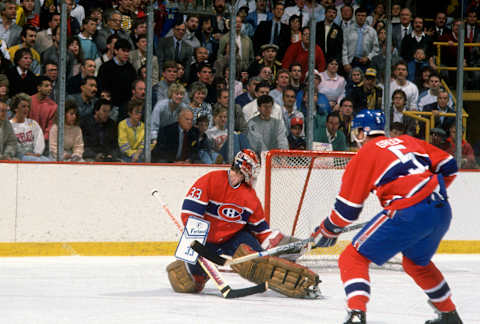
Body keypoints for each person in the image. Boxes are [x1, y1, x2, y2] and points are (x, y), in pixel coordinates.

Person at [310, 109, 462, 324]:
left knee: (352, 258)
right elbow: (450, 166)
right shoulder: (408, 141)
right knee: (417, 263)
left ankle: (356, 315)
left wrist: (327, 230)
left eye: (356, 131)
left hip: (407, 210)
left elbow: (347, 211)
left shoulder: (364, 155)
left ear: (363, 132)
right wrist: (428, 191)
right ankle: (449, 315)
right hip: (441, 208)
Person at [167, 148, 319, 298]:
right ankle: (195, 271)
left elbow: (261, 231)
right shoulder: (210, 180)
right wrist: (196, 244)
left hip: (234, 239)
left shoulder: (250, 197)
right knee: (189, 282)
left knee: (257, 261)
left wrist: (281, 244)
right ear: (245, 170)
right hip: (205, 241)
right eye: (252, 171)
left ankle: (290, 280)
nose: (254, 176)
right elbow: (190, 213)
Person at [9, 93, 50, 161]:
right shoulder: (9, 126)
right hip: (19, 156)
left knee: (49, 162)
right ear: (15, 108)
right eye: (23, 106)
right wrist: (25, 154)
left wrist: (37, 153)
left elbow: (39, 140)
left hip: (34, 155)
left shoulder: (32, 123)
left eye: (28, 107)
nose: (27, 109)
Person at [29, 76, 57, 146]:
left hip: (43, 142)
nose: (50, 88)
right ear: (39, 88)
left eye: (51, 86)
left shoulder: (53, 106)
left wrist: (42, 140)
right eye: (46, 86)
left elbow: (50, 126)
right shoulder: (28, 101)